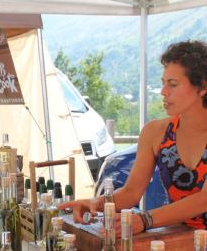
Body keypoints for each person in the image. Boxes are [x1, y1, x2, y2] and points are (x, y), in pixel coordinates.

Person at [60, 40, 207, 235]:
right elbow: (131, 192)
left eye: (173, 84)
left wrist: (145, 220)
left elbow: (203, 199)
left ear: (202, 86)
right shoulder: (155, 133)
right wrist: (96, 203)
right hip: (182, 242)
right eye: (163, 83)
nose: (163, 92)